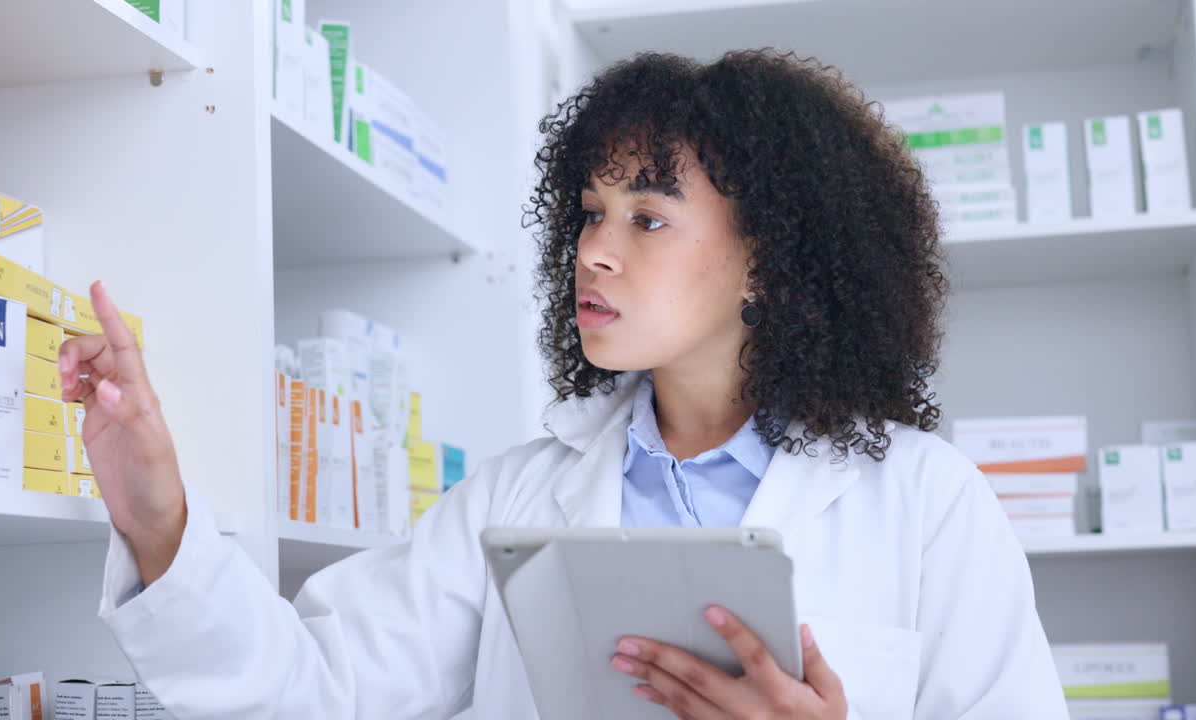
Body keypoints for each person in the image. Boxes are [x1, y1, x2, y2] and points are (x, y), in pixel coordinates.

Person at [60, 50, 1068, 719]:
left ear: (768, 259)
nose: (594, 250)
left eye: (648, 219)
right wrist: (158, 515)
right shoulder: (515, 498)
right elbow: (312, 691)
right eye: (589, 213)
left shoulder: (925, 502)